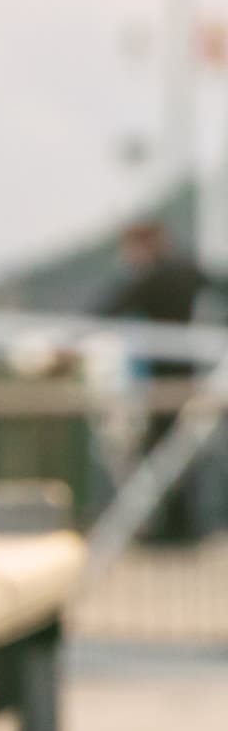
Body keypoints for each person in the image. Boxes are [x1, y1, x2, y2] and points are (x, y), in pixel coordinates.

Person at [95, 222, 219, 541]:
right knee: (178, 453)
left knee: (161, 454)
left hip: (164, 382)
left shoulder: (152, 278)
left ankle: (170, 529)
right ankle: (181, 527)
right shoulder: (188, 270)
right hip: (188, 378)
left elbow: (107, 309)